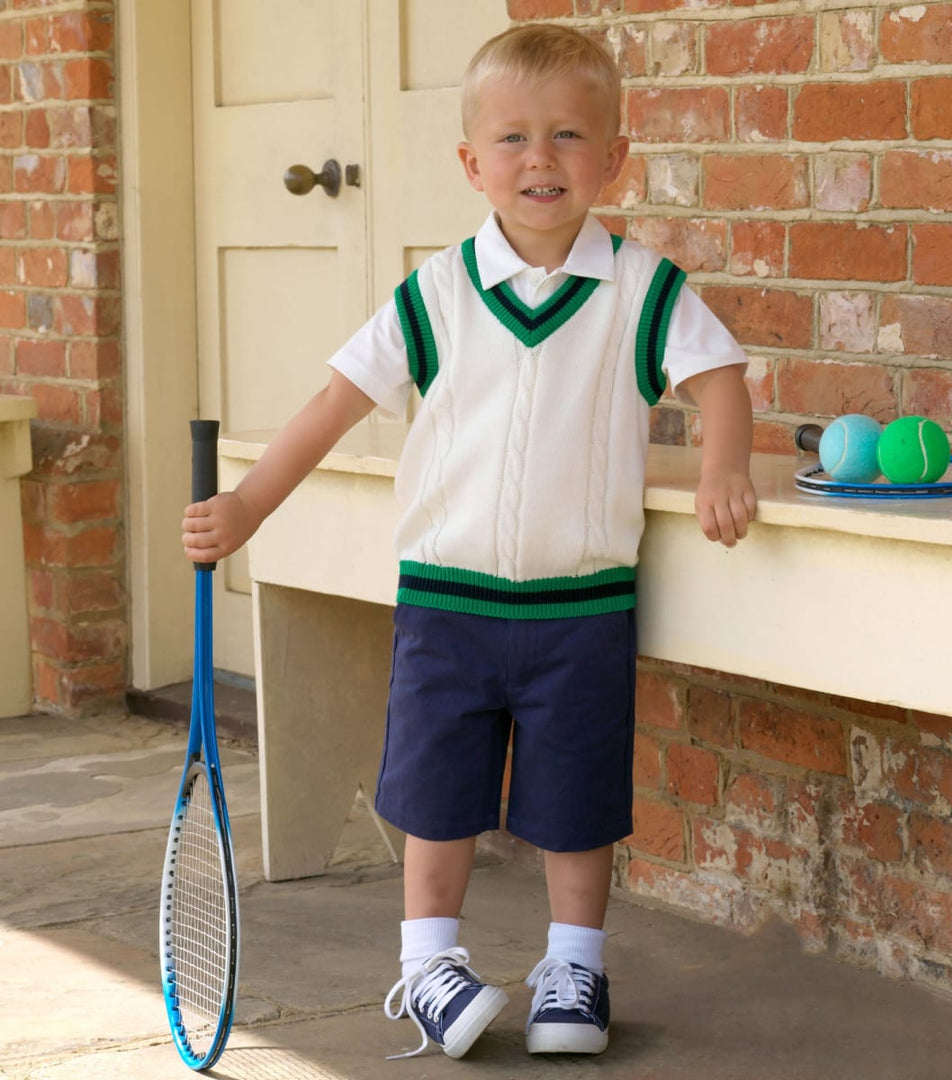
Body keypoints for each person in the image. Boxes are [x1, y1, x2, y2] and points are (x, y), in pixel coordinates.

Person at [182, 22, 756, 1062]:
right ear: (471, 162)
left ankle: (575, 964)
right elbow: (333, 402)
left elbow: (720, 377)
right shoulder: (437, 293)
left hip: (580, 606)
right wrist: (251, 505)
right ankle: (428, 966)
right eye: (515, 138)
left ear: (615, 158)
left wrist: (722, 465)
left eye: (571, 135)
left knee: (576, 801)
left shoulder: (640, 289)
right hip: (449, 606)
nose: (541, 158)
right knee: (437, 792)